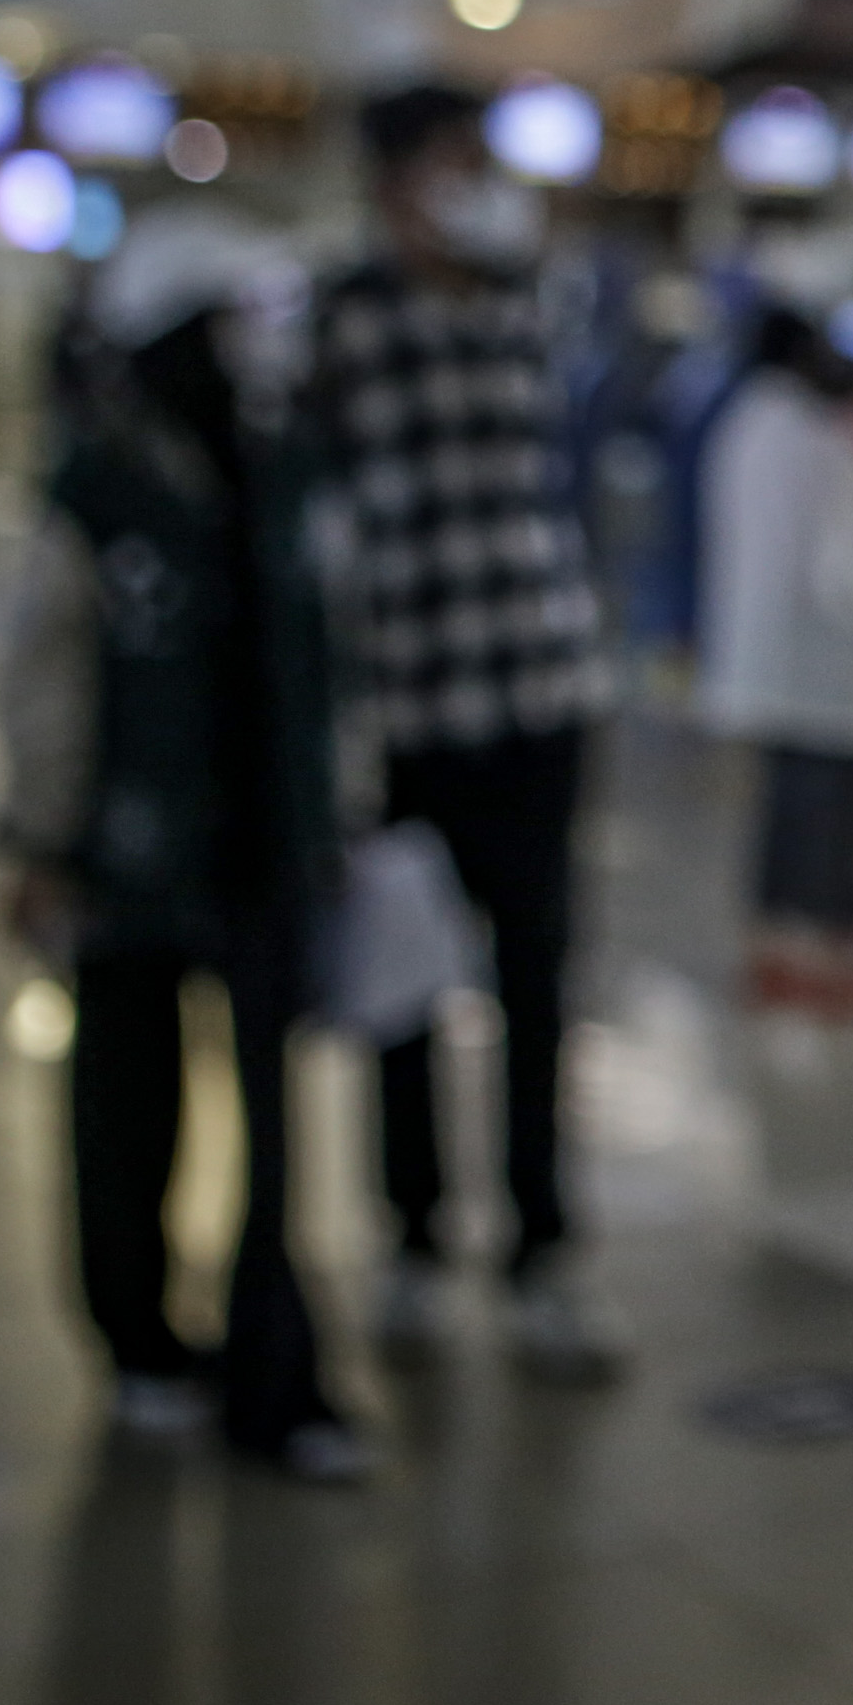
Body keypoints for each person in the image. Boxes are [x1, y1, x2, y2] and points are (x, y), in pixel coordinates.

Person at [0, 210, 365, 1480]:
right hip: (130, 849)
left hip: (268, 844)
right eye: (222, 327)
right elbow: (47, 672)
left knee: (278, 1123)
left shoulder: (288, 470)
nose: (249, 353)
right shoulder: (97, 486)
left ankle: (281, 1370)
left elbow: (332, 658)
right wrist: (42, 836)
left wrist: (341, 812)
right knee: (124, 1100)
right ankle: (139, 1336)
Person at [317, 84, 625, 1382]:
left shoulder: (523, 303)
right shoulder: (343, 320)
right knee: (404, 981)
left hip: (537, 691)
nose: (472, 186)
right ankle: (412, 1239)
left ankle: (541, 1250)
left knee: (537, 980)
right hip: (409, 705)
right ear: (394, 182)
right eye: (451, 164)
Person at [700, 304, 853, 1010]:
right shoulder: (814, 438)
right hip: (828, 668)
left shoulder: (744, 425)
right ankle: (825, 960)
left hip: (772, 660)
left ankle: (774, 954)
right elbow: (843, 565)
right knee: (828, 821)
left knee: (785, 812)